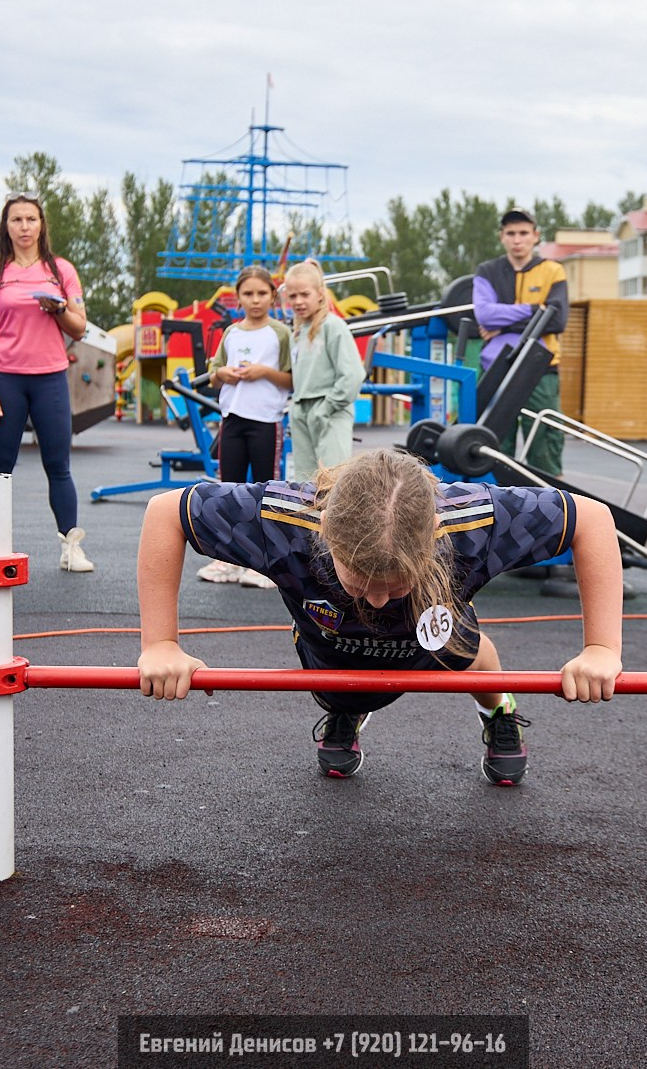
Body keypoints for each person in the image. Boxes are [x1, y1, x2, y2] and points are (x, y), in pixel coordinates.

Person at [136, 448, 622, 785]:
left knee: (471, 656)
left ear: (435, 530)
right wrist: (161, 643)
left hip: (432, 632)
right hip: (329, 644)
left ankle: (499, 712)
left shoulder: (477, 523)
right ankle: (347, 710)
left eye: (395, 584)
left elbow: (593, 519)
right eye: (360, 582)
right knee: (343, 686)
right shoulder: (281, 521)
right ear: (325, 530)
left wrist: (601, 648)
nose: (376, 602)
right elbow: (166, 512)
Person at [0, 192, 92, 572]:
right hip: (6, 379)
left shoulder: (60, 271)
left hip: (51, 379)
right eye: (16, 220)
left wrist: (58, 309)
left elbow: (80, 326)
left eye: (31, 219)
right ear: (6, 227)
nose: (25, 227)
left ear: (42, 225)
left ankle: (71, 547)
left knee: (58, 465)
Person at [198, 266, 292, 588]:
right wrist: (224, 374)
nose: (255, 300)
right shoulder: (232, 333)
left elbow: (292, 378)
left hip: (266, 419)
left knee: (267, 489)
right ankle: (229, 559)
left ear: (272, 296)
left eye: (262, 294)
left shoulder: (280, 333)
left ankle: (264, 562)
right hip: (232, 418)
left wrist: (263, 372)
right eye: (248, 294)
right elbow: (212, 373)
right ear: (238, 297)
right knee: (229, 490)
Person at [471, 208, 569, 477]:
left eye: (524, 233)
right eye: (511, 233)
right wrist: (535, 310)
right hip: (497, 366)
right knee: (495, 443)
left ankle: (552, 506)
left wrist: (503, 324)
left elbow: (558, 320)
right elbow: (484, 315)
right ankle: (497, 506)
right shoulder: (487, 271)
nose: (517, 240)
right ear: (502, 236)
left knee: (545, 440)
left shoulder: (553, 271)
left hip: (542, 368)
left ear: (536, 236)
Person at [280, 260, 363, 481]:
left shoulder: (333, 326)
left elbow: (353, 374)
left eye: (304, 294)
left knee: (332, 480)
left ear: (320, 293)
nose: (298, 301)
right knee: (304, 481)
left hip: (330, 411)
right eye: (292, 296)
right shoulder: (296, 332)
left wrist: (327, 407)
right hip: (301, 411)